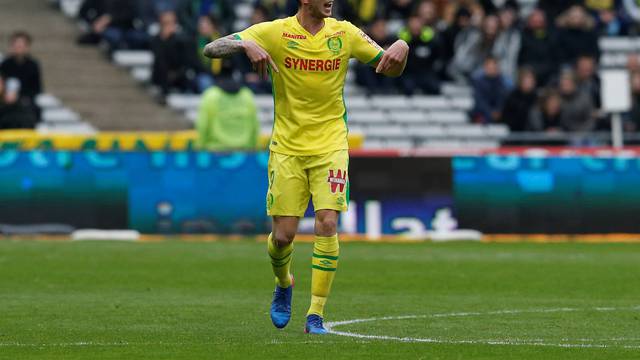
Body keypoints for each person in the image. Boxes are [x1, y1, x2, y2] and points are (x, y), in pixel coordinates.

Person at [203, 0, 409, 334]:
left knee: (327, 222)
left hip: (330, 145)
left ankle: (315, 315)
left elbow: (391, 66)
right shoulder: (276, 31)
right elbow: (212, 49)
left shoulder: (344, 33)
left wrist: (402, 45)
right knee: (283, 237)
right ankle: (284, 282)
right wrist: (246, 43)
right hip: (287, 147)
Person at [195, 61, 259, 150]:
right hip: (244, 152)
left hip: (215, 152)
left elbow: (203, 125)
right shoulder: (247, 95)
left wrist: (200, 148)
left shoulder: (211, 95)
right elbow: (254, 125)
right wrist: (253, 148)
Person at [0, 31, 42, 121]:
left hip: (25, 102)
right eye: (16, 45)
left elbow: (37, 89)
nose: (18, 48)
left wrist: (19, 96)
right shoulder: (5, 64)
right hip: (5, 101)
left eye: (21, 45)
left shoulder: (33, 65)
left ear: (27, 47)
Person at [471, 56, 512, 123]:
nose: (491, 69)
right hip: (482, 114)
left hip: (500, 115)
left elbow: (503, 99)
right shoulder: (478, 82)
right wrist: (490, 112)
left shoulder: (503, 83)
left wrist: (498, 111)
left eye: (493, 67)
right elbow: (479, 101)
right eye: (489, 67)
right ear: (485, 67)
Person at [502, 67, 537, 131]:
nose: (529, 82)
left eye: (531, 79)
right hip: (515, 134)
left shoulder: (537, 98)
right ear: (520, 80)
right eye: (526, 79)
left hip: (533, 134)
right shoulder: (512, 97)